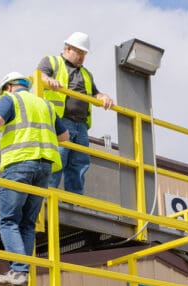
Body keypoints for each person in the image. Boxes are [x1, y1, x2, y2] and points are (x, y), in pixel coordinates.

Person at [0, 72, 69, 286]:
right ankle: (22, 272)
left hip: (20, 165)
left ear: (9, 87)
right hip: (45, 168)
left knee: (8, 220)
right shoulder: (45, 105)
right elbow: (64, 136)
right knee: (27, 223)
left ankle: (20, 271)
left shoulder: (10, 99)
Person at [37, 31, 114, 195]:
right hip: (60, 121)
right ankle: (47, 196)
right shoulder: (52, 61)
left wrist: (104, 96)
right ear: (67, 48)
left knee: (80, 163)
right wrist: (48, 80)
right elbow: (38, 77)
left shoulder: (86, 73)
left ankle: (75, 200)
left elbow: (95, 93)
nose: (81, 57)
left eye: (84, 54)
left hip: (81, 125)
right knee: (57, 159)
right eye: (79, 52)